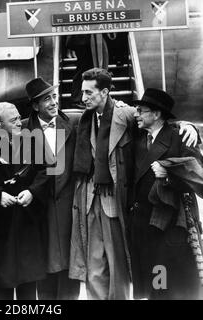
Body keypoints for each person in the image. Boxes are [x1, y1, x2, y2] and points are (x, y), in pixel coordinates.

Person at [70, 68, 199, 300]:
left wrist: (189, 128)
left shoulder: (132, 117)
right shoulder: (91, 121)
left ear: (105, 92)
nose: (83, 98)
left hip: (154, 214)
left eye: (89, 92)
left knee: (152, 273)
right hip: (108, 205)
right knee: (99, 264)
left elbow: (168, 129)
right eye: (82, 92)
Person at [0, 102, 49, 300]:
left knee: (29, 281)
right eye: (13, 120)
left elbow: (46, 170)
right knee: (3, 283)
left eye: (18, 117)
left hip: (27, 221)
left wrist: (32, 192)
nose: (19, 123)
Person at [129, 88, 203, 299]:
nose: (136, 114)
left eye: (141, 110)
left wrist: (169, 175)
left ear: (157, 114)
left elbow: (199, 179)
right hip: (145, 226)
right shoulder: (140, 140)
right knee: (156, 284)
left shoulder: (180, 138)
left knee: (172, 286)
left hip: (170, 226)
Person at [23, 77, 81, 300]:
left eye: (54, 97)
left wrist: (186, 125)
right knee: (44, 265)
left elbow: (108, 117)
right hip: (38, 208)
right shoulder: (23, 129)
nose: (53, 102)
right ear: (35, 105)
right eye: (46, 99)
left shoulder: (73, 122)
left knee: (69, 265)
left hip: (68, 207)